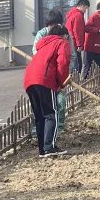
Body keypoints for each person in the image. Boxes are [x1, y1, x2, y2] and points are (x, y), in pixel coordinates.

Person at [24, 23, 71, 157]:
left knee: (40, 117)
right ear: (64, 35)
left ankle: (43, 150)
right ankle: (49, 147)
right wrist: (61, 82)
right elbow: (63, 63)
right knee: (52, 113)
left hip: (30, 80)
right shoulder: (62, 43)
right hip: (44, 80)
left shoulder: (43, 45)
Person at [34, 10, 68, 137]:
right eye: (51, 25)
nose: (53, 28)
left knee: (60, 101)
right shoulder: (42, 34)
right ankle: (42, 134)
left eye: (56, 25)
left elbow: (66, 59)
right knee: (46, 107)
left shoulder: (64, 35)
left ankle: (60, 126)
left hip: (57, 74)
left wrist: (63, 78)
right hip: (45, 76)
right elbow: (36, 52)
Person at [64, 0, 89, 75]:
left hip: (69, 41)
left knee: (73, 63)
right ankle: (75, 83)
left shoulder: (72, 14)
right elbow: (77, 31)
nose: (86, 11)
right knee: (77, 65)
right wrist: (79, 45)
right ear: (81, 6)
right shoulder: (78, 15)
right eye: (86, 8)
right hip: (74, 42)